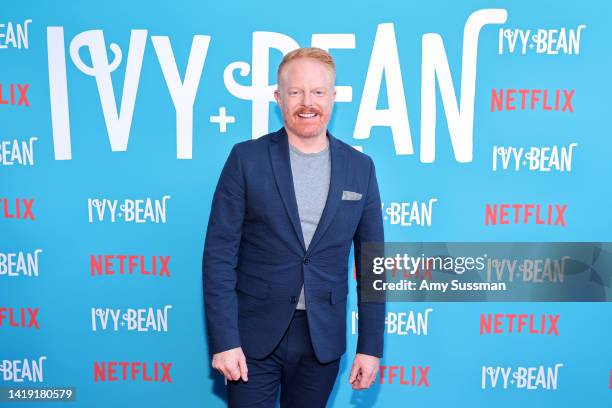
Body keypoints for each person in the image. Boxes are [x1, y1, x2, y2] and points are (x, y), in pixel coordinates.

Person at [203, 47, 385, 407]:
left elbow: (372, 266)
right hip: (252, 338)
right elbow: (219, 257)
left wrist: (370, 347)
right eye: (296, 92)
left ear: (333, 97)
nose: (308, 103)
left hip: (322, 341)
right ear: (278, 97)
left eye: (318, 92)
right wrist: (225, 340)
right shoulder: (246, 159)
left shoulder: (360, 168)